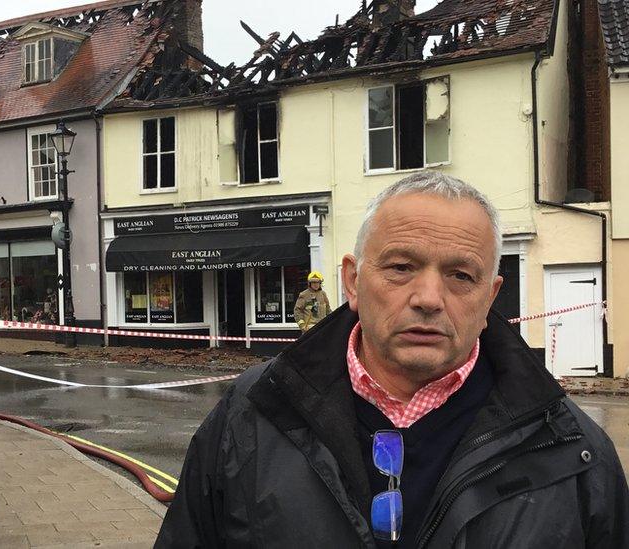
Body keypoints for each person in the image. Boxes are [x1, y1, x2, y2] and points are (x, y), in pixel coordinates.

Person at [156, 172, 628, 548]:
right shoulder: (251, 415)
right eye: (401, 267)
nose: (428, 298)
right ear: (353, 281)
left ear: (490, 299)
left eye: (461, 275)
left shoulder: (575, 452)